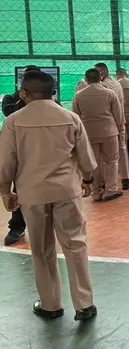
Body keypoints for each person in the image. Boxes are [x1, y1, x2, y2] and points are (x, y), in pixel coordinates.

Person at [0, 70, 98, 321]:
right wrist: (87, 179)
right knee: (76, 244)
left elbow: (6, 162)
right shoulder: (70, 118)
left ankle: (51, 304)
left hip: (32, 193)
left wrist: (5, 192)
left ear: (24, 93)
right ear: (52, 91)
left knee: (42, 250)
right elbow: (86, 157)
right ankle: (85, 304)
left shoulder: (14, 121)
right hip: (66, 190)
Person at [0, 65, 39, 246]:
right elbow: (9, 111)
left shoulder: (50, 103)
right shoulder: (12, 99)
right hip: (21, 154)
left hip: (42, 153)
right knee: (20, 191)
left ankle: (49, 227)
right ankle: (16, 226)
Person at [72, 68, 124, 202]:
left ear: (86, 79)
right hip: (109, 132)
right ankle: (111, 190)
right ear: (100, 78)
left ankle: (96, 191)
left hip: (88, 133)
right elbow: (118, 115)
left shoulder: (79, 95)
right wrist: (120, 128)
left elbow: (76, 115)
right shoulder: (109, 93)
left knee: (93, 162)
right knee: (111, 161)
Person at [95, 62, 129, 189]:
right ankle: (125, 178)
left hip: (109, 123)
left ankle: (109, 184)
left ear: (103, 72)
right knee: (122, 149)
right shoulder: (117, 83)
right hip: (120, 120)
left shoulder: (104, 86)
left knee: (109, 157)